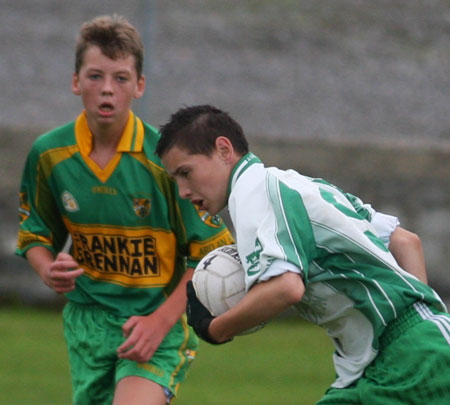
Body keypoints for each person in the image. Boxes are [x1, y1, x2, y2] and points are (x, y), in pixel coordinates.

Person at [155, 104, 450, 404]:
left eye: (186, 173)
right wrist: (422, 323)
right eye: (175, 180)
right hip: (398, 356)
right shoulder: (298, 184)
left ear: (223, 149)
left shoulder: (252, 193)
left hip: (410, 360)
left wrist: (215, 328)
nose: (182, 192)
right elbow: (405, 241)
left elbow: (286, 288)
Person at [16, 18, 234, 405]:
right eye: (95, 76)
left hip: (156, 321)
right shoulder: (50, 155)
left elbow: (209, 255)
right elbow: (35, 233)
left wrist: (160, 322)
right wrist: (46, 268)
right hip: (87, 324)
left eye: (120, 78)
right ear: (75, 82)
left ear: (139, 86)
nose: (106, 89)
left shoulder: (164, 160)